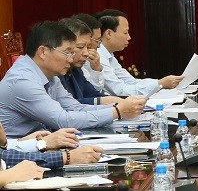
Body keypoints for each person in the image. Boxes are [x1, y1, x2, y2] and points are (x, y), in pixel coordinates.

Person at [0, 21, 143, 137]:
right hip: (16, 153)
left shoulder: (50, 76)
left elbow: (75, 108)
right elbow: (63, 120)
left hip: (43, 143)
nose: (70, 59)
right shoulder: (22, 81)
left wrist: (119, 106)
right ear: (42, 52)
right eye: (67, 52)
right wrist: (117, 111)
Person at [84, 10, 183, 96]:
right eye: (125, 32)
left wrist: (160, 83)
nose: (129, 37)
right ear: (109, 33)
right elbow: (119, 90)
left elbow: (131, 82)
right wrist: (160, 84)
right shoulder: (98, 55)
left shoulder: (109, 55)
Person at [58, 17, 145, 108]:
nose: (86, 53)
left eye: (88, 47)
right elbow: (66, 106)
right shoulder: (55, 73)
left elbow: (93, 94)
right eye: (80, 47)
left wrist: (113, 101)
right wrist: (106, 103)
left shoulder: (76, 70)